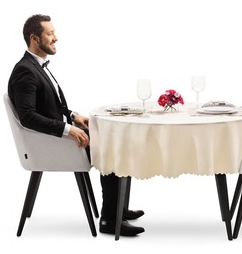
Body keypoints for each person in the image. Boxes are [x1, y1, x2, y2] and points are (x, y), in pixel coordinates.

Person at [8, 14, 144, 236]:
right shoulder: (25, 70)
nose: (56, 38)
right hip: (50, 144)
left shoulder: (36, 66)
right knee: (110, 145)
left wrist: (73, 116)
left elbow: (47, 106)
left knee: (112, 137)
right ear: (35, 38)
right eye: (50, 34)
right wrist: (68, 129)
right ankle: (110, 220)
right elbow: (28, 116)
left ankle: (116, 209)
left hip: (56, 136)